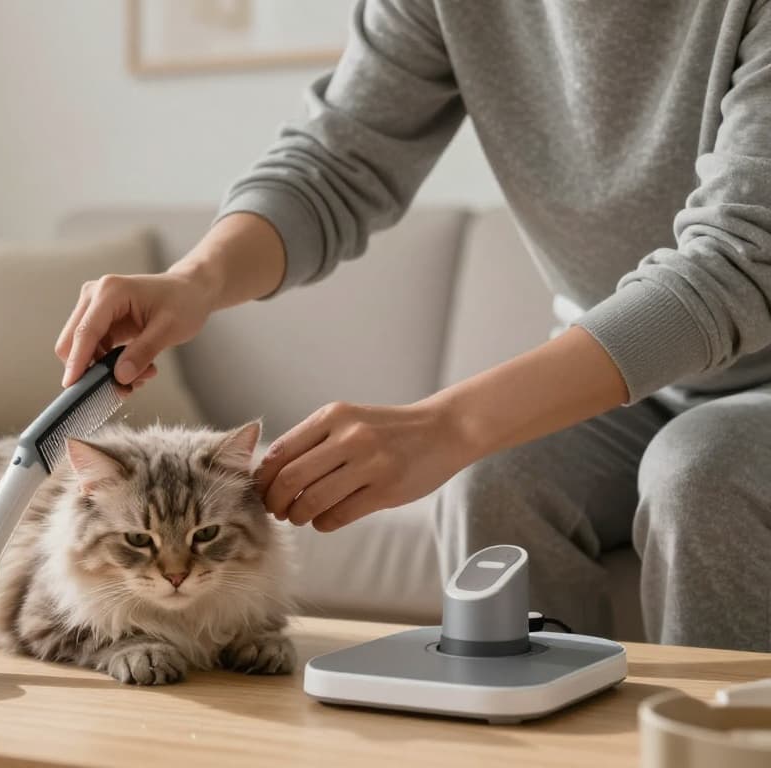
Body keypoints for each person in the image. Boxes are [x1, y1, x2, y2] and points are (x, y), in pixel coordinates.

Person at [53, 0, 771, 652]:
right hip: (636, 383)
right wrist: (196, 281)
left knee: (699, 475)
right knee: (490, 481)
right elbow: (336, 160)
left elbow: (740, 263)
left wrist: (449, 427)